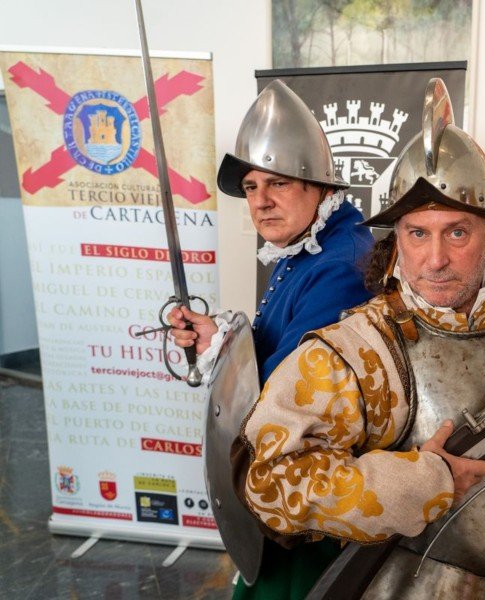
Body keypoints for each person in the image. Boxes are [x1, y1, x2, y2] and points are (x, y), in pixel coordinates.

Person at [231, 79, 485, 598]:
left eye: (457, 232)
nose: (435, 260)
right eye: (417, 234)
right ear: (396, 238)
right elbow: (269, 482)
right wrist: (421, 482)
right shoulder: (359, 350)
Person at [166, 80, 374, 598]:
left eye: (277, 184)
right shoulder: (307, 248)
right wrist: (221, 341)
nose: (260, 202)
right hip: (287, 493)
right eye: (252, 187)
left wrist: (223, 359)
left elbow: (283, 395)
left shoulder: (341, 266)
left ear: (321, 187)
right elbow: (273, 349)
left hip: (312, 511)